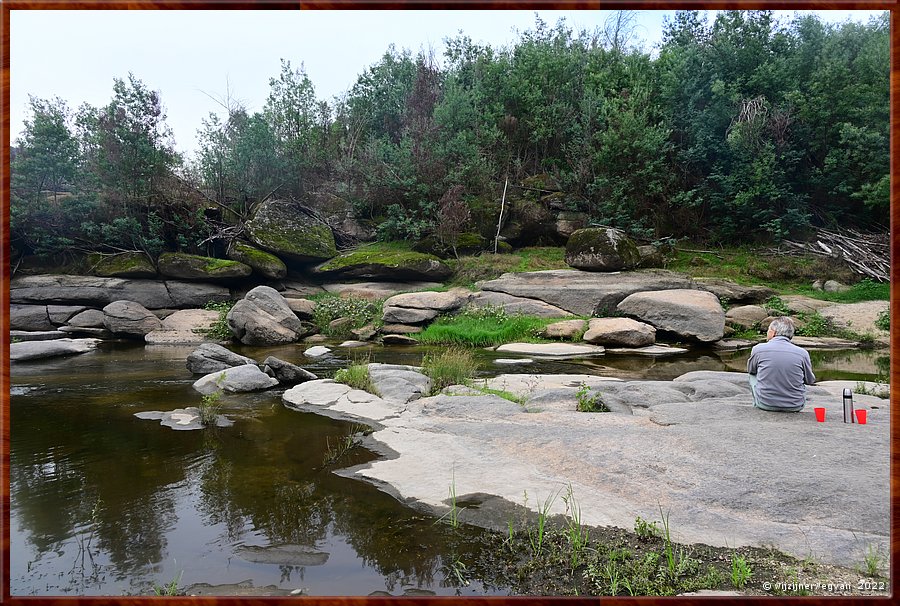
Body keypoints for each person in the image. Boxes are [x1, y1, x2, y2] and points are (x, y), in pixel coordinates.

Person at [747, 316, 816, 412]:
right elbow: (810, 380)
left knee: (752, 375)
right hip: (795, 406)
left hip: (765, 404)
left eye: (768, 330)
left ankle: (759, 401)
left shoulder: (758, 349)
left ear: (773, 332)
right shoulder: (802, 353)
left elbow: (751, 370)